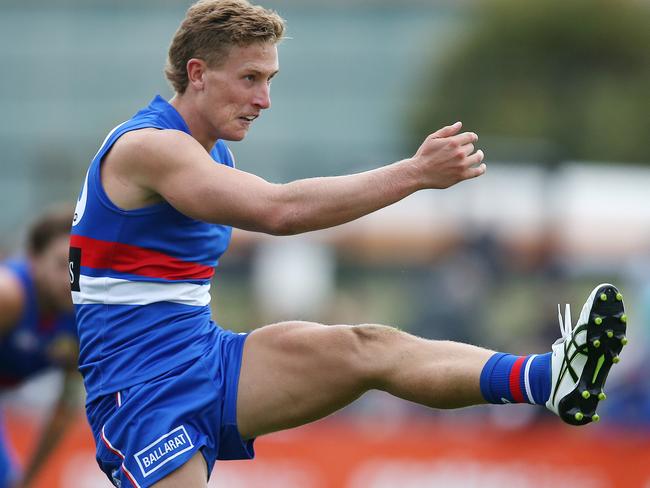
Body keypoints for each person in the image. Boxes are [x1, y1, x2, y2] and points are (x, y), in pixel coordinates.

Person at [69, 1, 628, 487]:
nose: (264, 99)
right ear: (198, 73)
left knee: (367, 347)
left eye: (271, 79)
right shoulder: (151, 147)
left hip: (207, 357)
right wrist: (414, 174)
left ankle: (550, 379)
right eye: (250, 78)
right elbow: (279, 211)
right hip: (142, 392)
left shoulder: (212, 155)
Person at [0, 206, 79, 488]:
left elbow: (63, 410)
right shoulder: (8, 296)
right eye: (61, 265)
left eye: (79, 266)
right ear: (33, 258)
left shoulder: (84, 320)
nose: (71, 279)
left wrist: (27, 481)